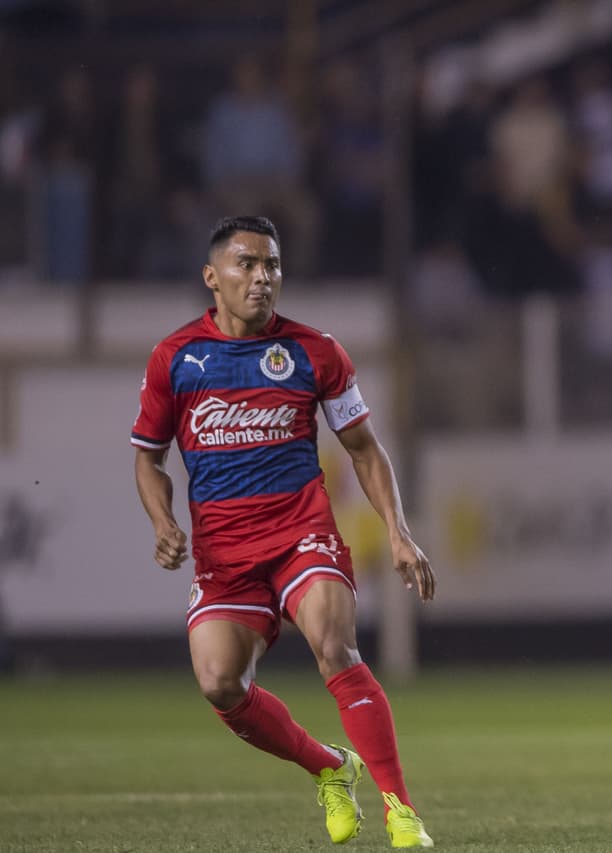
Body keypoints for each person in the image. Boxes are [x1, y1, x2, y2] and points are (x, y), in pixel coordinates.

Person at [132, 216, 435, 847]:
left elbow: (365, 449)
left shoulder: (314, 351)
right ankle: (329, 767)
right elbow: (149, 457)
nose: (262, 277)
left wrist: (399, 532)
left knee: (334, 645)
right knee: (220, 682)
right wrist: (163, 521)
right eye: (246, 264)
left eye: (271, 265)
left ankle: (400, 808)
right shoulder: (176, 359)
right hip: (224, 554)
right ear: (212, 277)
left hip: (302, 534)